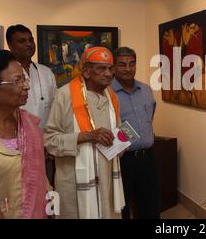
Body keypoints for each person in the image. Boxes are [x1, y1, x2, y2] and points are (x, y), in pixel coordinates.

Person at [44, 46, 125, 219]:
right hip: (74, 183)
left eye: (110, 68)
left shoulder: (112, 97)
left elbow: (117, 133)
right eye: (101, 68)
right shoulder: (64, 95)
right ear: (87, 71)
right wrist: (86, 136)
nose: (109, 73)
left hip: (107, 180)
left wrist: (122, 143)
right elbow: (49, 140)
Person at [0, 50, 47, 218]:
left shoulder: (29, 125)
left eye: (24, 78)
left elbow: (39, 177)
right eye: (17, 80)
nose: (26, 85)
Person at [111, 47, 160, 219]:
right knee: (120, 207)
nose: (128, 68)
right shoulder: (107, 93)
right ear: (114, 67)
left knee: (151, 206)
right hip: (122, 160)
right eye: (122, 64)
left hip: (147, 158)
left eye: (132, 64)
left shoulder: (146, 90)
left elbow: (149, 117)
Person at [6, 25, 58, 186]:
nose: (29, 44)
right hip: (17, 149)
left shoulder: (46, 72)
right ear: (10, 45)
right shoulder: (6, 74)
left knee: (46, 195)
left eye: (31, 40)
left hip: (46, 150)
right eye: (22, 41)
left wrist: (49, 144)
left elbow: (55, 110)